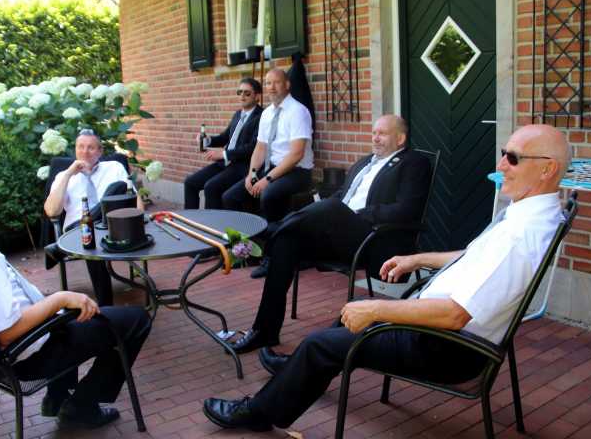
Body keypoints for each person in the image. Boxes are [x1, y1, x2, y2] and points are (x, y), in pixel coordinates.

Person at [202, 124, 570, 432]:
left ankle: (259, 412)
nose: (501, 164)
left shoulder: (520, 235)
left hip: (447, 347)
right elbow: (475, 256)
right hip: (439, 328)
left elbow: (456, 314)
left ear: (547, 169)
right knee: (346, 315)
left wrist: (378, 309)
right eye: (503, 154)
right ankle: (298, 370)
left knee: (324, 340)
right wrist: (418, 258)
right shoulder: (531, 216)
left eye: (513, 158)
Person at [0, 163, 151, 430]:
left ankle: (56, 398)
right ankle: (82, 407)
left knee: (69, 315)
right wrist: (59, 299)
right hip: (27, 357)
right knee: (135, 320)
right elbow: (8, 332)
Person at [232, 115, 432, 353]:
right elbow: (341, 196)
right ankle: (264, 331)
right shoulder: (364, 162)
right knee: (287, 241)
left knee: (329, 208)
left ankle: (266, 232)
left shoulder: (414, 163)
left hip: (372, 238)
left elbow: (407, 209)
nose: (375, 138)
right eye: (374, 133)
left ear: (400, 138)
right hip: (339, 233)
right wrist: (332, 209)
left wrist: (354, 214)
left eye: (382, 133)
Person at [44, 129, 142, 306]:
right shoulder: (63, 176)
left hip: (113, 226)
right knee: (89, 236)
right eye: (80, 147)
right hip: (77, 229)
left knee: (118, 187)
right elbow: (51, 211)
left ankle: (105, 307)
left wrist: (138, 219)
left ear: (100, 151)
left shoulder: (114, 167)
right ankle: (106, 307)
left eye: (90, 147)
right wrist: (68, 175)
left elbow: (136, 202)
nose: (85, 152)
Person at [222, 69, 314, 223]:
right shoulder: (267, 113)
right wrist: (252, 173)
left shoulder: (298, 111)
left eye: (276, 82)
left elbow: (296, 154)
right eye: (268, 83)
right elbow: (260, 148)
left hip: (296, 172)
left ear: (287, 85)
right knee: (231, 197)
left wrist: (267, 179)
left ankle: (272, 235)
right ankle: (248, 234)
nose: (271, 87)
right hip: (270, 167)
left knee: (268, 195)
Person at [184, 78, 263, 209]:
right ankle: (190, 219)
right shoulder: (238, 114)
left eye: (247, 93)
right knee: (190, 182)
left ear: (257, 96)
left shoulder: (262, 116)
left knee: (211, 187)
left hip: (242, 166)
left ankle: (214, 222)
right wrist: (208, 140)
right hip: (225, 162)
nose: (242, 96)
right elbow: (225, 137)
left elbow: (252, 147)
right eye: (239, 92)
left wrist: (223, 154)